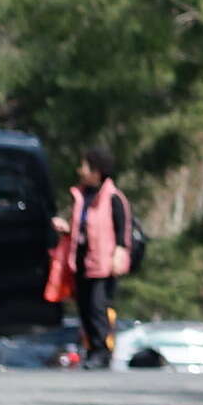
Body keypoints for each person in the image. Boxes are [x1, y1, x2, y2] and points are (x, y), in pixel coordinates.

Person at [54, 145, 138, 368]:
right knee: (83, 307)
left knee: (97, 306)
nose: (80, 170)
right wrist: (66, 230)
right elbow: (82, 228)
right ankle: (91, 348)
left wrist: (118, 255)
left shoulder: (114, 198)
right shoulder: (81, 196)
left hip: (103, 263)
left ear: (97, 171)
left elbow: (123, 231)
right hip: (81, 260)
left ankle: (103, 350)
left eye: (84, 166)